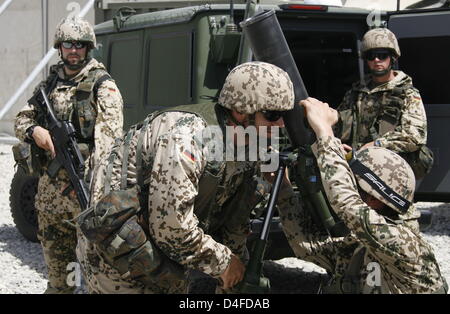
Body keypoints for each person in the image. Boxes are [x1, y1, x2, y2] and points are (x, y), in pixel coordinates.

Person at [75, 61, 295, 294]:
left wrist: (236, 276)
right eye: (272, 115)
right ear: (241, 112)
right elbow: (171, 227)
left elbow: (235, 218)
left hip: (161, 246)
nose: (280, 124)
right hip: (117, 245)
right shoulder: (187, 139)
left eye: (284, 116)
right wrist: (224, 263)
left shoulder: (252, 144)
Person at [277, 97, 447, 294]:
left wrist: (324, 131)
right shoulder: (366, 244)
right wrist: (283, 190)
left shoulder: (403, 245)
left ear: (374, 199)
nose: (349, 184)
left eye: (353, 182)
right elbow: (308, 247)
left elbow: (346, 201)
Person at [14, 17, 123, 294]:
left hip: (84, 199)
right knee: (59, 282)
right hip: (50, 202)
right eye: (67, 45)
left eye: (79, 45)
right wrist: (36, 131)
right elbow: (21, 120)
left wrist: (91, 190)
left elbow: (108, 147)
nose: (73, 50)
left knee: (99, 278)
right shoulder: (49, 85)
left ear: (88, 48)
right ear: (59, 48)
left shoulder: (103, 86)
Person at [335, 28, 433, 179]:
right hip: (357, 169)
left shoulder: (407, 93)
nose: (376, 60)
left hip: (391, 172)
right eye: (371, 56)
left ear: (392, 58)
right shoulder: (355, 93)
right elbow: (337, 125)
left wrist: (377, 144)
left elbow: (415, 137)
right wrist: (337, 144)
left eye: (382, 55)